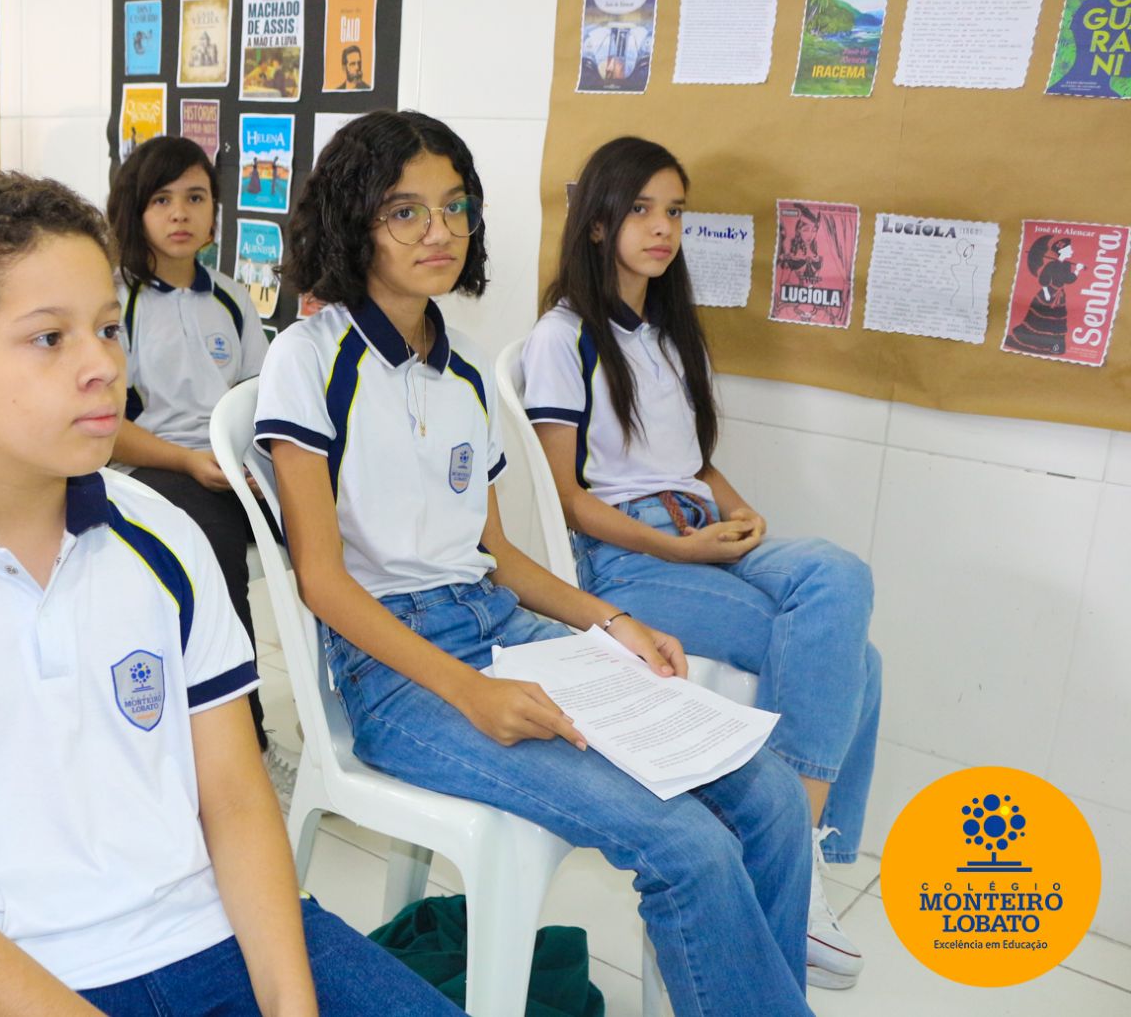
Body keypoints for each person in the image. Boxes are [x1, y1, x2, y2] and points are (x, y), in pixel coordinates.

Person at [0, 170, 457, 1017]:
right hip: (1, 975)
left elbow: (236, 800)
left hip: (212, 930)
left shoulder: (164, 540)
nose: (102, 365)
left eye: (108, 329)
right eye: (48, 338)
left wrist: (292, 1006)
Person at [255, 110, 815, 1016]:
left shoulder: (469, 370)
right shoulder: (307, 358)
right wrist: (471, 692)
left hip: (502, 628)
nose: (439, 232)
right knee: (689, 847)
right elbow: (321, 581)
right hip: (397, 676)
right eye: (405, 212)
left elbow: (497, 554)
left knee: (774, 796)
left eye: (455, 207)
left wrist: (615, 623)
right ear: (356, 222)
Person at [522, 135, 881, 992]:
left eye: (675, 212)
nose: (662, 228)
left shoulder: (670, 331)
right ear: (598, 222)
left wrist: (736, 507)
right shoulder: (563, 338)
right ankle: (799, 874)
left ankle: (793, 853)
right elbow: (567, 497)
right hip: (627, 558)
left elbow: (691, 461)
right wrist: (677, 546)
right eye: (642, 210)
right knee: (858, 663)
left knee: (842, 577)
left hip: (702, 529)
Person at [105, 137, 276, 763]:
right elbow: (105, 430)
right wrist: (189, 462)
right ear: (135, 211)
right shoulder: (115, 301)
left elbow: (260, 402)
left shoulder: (231, 297)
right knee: (213, 545)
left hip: (230, 467)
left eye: (196, 198)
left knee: (332, 524)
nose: (180, 213)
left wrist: (256, 468)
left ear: (214, 213)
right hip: (150, 467)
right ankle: (244, 741)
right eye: (162, 199)